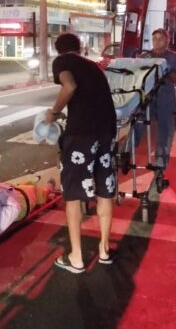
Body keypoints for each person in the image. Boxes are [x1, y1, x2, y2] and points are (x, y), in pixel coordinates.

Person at [46, 33, 117, 273]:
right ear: (80, 48)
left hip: (81, 136)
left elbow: (70, 86)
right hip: (106, 132)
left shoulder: (63, 62)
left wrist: (54, 112)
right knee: (104, 190)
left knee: (74, 195)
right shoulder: (92, 66)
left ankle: (76, 257)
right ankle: (104, 250)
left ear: (59, 50)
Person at [137, 28, 176, 170]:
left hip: (166, 99)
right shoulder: (144, 57)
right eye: (155, 39)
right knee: (137, 126)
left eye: (160, 39)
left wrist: (167, 70)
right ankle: (125, 154)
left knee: (165, 131)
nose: (157, 42)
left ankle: (160, 162)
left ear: (167, 40)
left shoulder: (174, 58)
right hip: (147, 98)